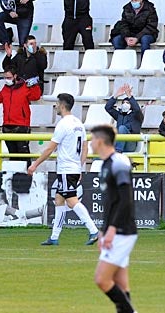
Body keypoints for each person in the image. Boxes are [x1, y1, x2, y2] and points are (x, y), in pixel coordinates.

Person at [29, 93, 100, 246]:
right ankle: (54, 237)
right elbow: (85, 147)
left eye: (56, 104)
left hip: (67, 169)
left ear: (62, 105)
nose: (55, 106)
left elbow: (49, 149)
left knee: (71, 200)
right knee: (59, 199)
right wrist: (80, 167)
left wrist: (35, 164)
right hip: (73, 168)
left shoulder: (63, 125)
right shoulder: (78, 123)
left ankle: (94, 230)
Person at [89, 124, 139, 313]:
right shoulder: (105, 164)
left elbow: (125, 200)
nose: (91, 143)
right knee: (121, 283)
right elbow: (111, 202)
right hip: (114, 230)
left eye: (92, 139)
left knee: (101, 279)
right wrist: (103, 229)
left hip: (123, 231)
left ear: (100, 141)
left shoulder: (119, 162)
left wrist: (112, 229)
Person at [0, 69, 42, 159]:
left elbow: (36, 96)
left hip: (21, 126)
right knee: (12, 155)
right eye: (5, 78)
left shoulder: (25, 86)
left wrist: (35, 85)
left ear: (15, 76)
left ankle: (27, 172)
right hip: (7, 126)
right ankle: (14, 172)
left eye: (9, 77)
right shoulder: (5, 88)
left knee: (24, 154)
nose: (7, 80)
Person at [105, 84, 143, 153]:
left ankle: (118, 151)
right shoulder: (119, 115)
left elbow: (137, 109)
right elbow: (108, 108)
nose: (125, 104)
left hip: (130, 143)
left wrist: (129, 95)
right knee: (98, 156)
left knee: (122, 128)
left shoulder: (137, 115)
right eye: (123, 102)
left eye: (127, 102)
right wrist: (115, 95)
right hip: (118, 141)